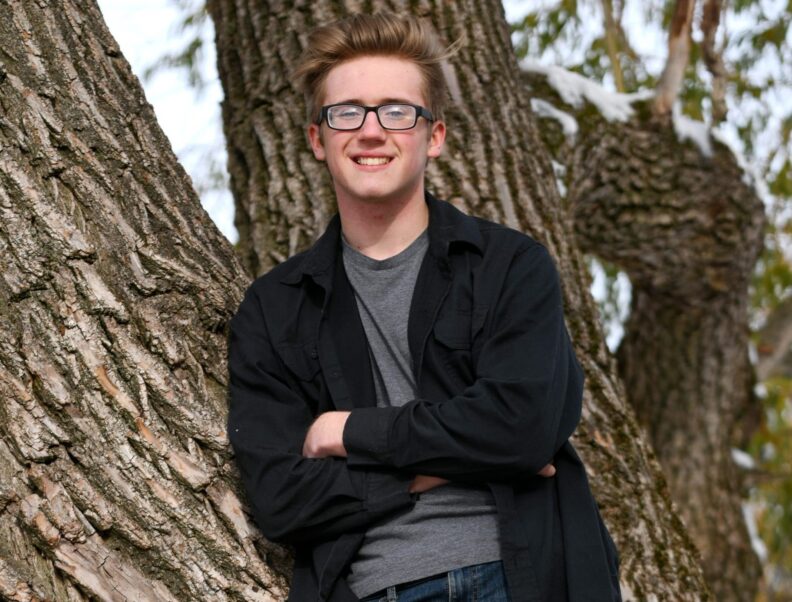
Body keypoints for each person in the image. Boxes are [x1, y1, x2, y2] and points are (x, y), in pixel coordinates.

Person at [227, 11, 621, 602]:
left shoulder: (508, 266)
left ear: (433, 136)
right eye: (346, 113)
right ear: (317, 139)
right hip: (373, 589)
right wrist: (433, 470)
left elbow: (523, 427)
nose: (370, 130)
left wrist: (351, 431)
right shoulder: (274, 310)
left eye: (396, 111)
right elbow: (282, 498)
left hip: (520, 577)